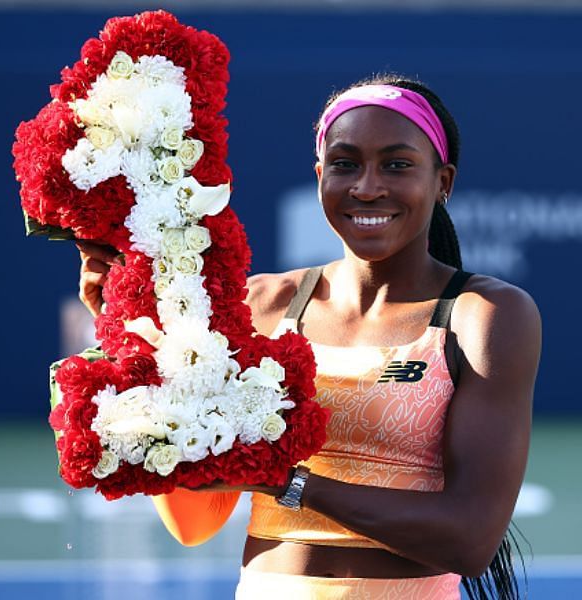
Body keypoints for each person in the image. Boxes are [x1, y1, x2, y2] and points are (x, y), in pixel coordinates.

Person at [77, 76, 540, 599]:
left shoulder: (486, 315)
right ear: (320, 176)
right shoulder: (259, 304)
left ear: (443, 181)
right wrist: (132, 337)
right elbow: (195, 520)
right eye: (345, 164)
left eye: (396, 164)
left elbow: (470, 540)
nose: (367, 186)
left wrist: (287, 483)